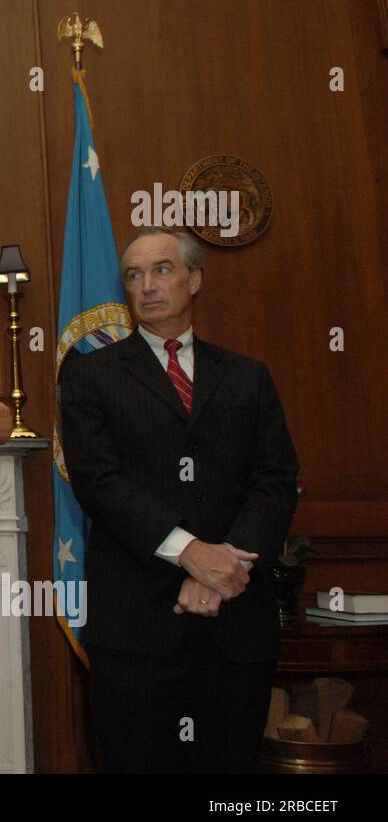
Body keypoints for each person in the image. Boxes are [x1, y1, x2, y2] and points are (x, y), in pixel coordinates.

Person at [59, 226, 299, 773]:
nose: (147, 286)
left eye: (162, 270)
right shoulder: (90, 375)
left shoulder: (247, 377)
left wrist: (223, 564)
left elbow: (276, 480)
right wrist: (191, 552)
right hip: (136, 627)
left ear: (194, 280)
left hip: (235, 620)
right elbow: (98, 481)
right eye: (134, 275)